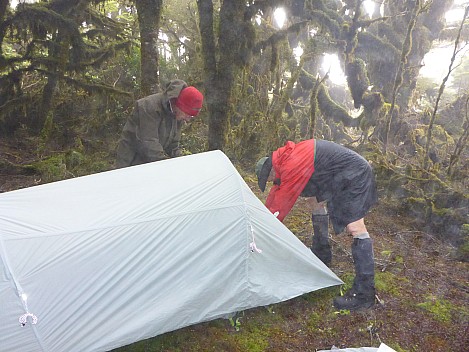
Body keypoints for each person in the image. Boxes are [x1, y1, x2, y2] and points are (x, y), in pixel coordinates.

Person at [255, 138, 378, 310]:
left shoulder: (292, 162)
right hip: (337, 175)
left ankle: (365, 293)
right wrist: (258, 219)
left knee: (355, 226)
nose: (268, 182)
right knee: (314, 201)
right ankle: (322, 251)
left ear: (270, 171)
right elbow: (276, 194)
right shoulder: (286, 160)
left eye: (266, 179)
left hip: (354, 174)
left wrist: (261, 232)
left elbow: (282, 203)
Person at [116, 79, 203, 168]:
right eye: (188, 115)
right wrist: (167, 165)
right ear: (180, 106)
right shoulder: (148, 107)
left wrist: (181, 162)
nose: (187, 120)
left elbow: (173, 145)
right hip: (130, 161)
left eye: (191, 117)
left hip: (150, 162)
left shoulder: (177, 115)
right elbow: (149, 144)